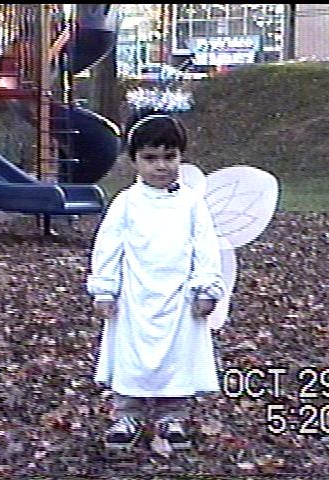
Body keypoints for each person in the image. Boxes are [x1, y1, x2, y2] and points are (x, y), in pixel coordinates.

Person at [86, 114, 226, 451]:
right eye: (150, 158)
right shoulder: (126, 203)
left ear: (181, 157)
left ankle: (172, 416)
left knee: (177, 354)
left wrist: (206, 287)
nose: (161, 166)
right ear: (134, 160)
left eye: (169, 157)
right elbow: (108, 247)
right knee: (131, 354)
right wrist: (105, 289)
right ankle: (127, 415)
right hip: (135, 296)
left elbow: (205, 247)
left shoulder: (191, 203)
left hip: (179, 297)